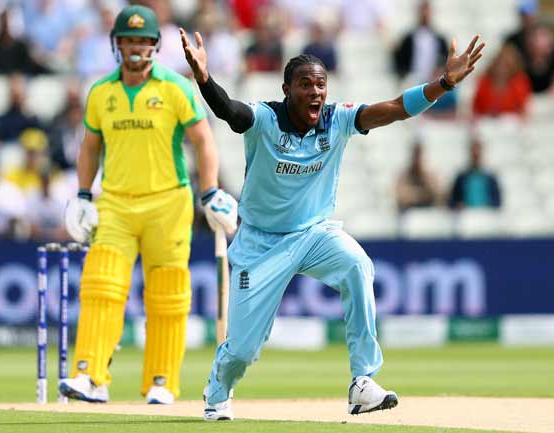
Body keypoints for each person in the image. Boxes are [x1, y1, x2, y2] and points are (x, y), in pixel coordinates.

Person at [180, 27, 484, 420]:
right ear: (287, 88)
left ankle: (362, 383)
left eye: (320, 85)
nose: (315, 92)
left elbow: (394, 108)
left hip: (313, 233)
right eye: (305, 85)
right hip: (259, 242)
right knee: (242, 350)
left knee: (358, 265)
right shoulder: (265, 119)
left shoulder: (337, 120)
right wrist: (204, 78)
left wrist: (442, 84)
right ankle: (218, 388)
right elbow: (229, 111)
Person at [58, 5, 237, 405]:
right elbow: (89, 148)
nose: (135, 48)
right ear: (116, 44)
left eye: (142, 40)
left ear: (155, 45)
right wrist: (84, 194)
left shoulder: (175, 87)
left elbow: (204, 141)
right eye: (128, 40)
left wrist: (209, 191)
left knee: (168, 294)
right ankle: (90, 376)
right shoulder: (102, 92)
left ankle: (162, 381)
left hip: (168, 202)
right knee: (100, 286)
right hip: (117, 203)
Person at [472, 44, 531, 118]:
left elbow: (524, 110)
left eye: (506, 65)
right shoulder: (483, 81)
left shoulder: (519, 82)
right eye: (499, 64)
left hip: (510, 123)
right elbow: (475, 108)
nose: (502, 69)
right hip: (486, 122)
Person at [448, 137, 501, 210]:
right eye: (473, 153)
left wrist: (488, 207)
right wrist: (458, 205)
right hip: (466, 217)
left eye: (478, 153)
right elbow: (452, 201)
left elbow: (497, 202)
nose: (476, 155)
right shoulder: (461, 177)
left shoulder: (490, 178)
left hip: (486, 216)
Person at [396, 141, 442, 212]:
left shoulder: (429, 175)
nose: (417, 158)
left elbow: (437, 193)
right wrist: (423, 194)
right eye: (415, 155)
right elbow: (402, 196)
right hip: (410, 214)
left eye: (419, 155)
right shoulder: (404, 174)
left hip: (428, 213)